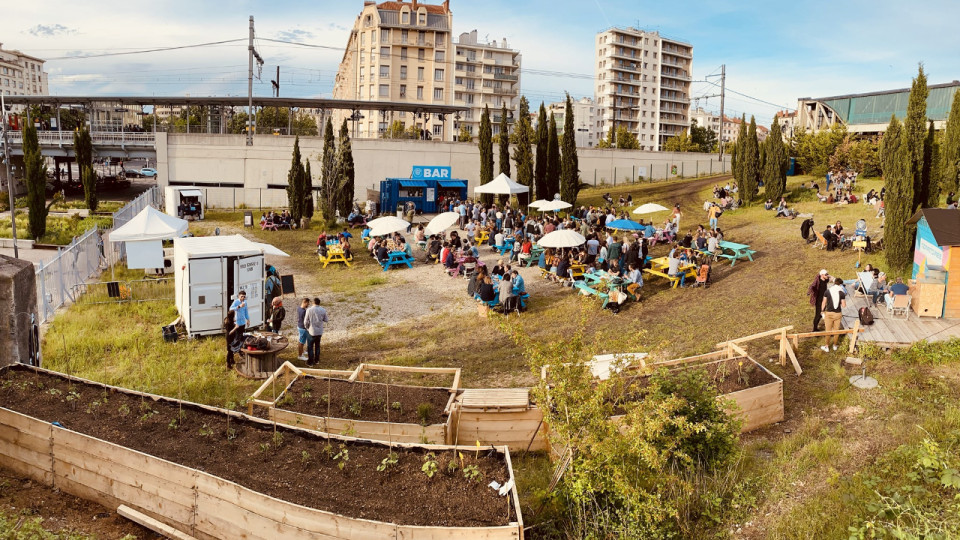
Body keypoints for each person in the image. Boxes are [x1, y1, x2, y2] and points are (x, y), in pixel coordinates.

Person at [821, 277, 847, 352]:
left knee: (828, 330)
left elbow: (824, 302)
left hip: (829, 313)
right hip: (838, 313)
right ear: (840, 284)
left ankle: (827, 346)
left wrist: (822, 311)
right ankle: (835, 345)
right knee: (836, 330)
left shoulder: (827, 291)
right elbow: (844, 305)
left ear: (834, 283)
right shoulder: (841, 293)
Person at [303, 298, 329, 366]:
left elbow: (305, 321)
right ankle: (317, 360)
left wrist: (307, 328)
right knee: (317, 346)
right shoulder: (323, 310)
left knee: (310, 346)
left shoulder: (309, 310)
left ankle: (310, 362)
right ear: (319, 303)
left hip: (311, 331)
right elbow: (326, 320)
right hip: (319, 331)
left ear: (313, 303)